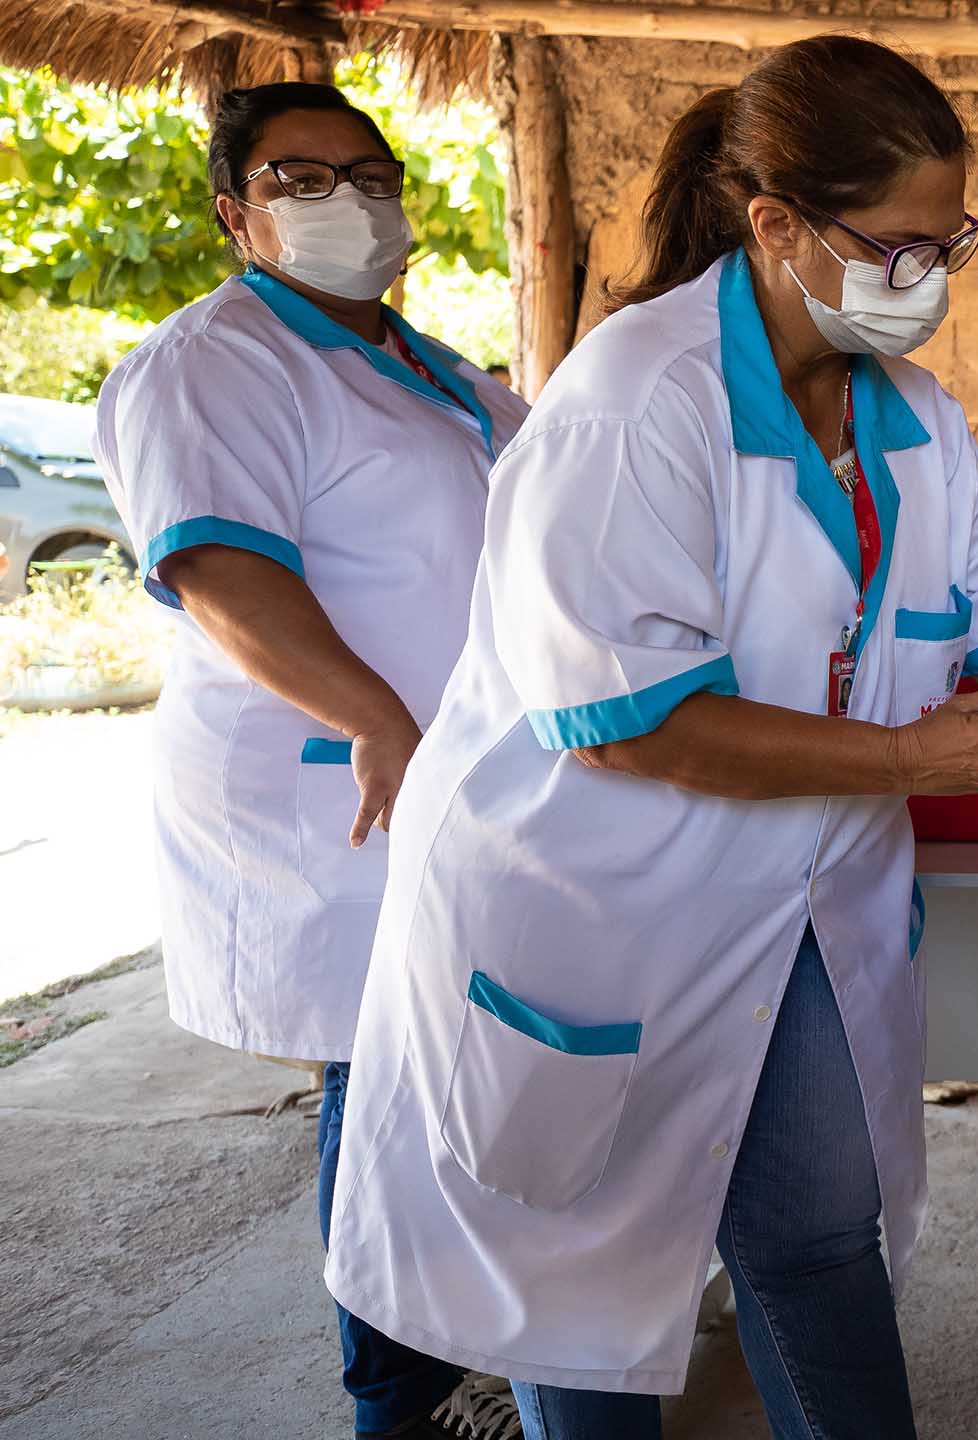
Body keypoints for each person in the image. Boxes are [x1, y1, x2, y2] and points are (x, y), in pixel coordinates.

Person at [323, 36, 978, 1440]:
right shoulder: (637, 405)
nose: (929, 279)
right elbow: (623, 726)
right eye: (897, 244)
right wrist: (910, 763)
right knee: (582, 1286)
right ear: (775, 226)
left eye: (949, 241)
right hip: (588, 908)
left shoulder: (913, 418)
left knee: (820, 1236)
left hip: (799, 907)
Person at [92, 83, 528, 1439]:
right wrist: (382, 718)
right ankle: (395, 1402)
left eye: (368, 172)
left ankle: (485, 1349)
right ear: (236, 213)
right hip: (336, 782)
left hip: (468, 781)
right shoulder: (210, 362)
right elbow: (220, 570)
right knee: (382, 1073)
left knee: (468, 1068)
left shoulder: (439, 369)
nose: (347, 201)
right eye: (301, 178)